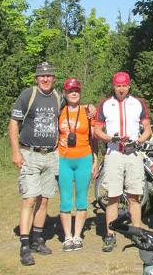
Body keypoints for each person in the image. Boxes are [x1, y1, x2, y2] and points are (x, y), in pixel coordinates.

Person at [8, 62, 62, 266]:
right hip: (29, 154)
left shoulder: (58, 97)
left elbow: (74, 105)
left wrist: (90, 108)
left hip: (51, 155)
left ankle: (38, 239)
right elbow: (14, 123)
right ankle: (24, 245)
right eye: (42, 76)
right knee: (29, 199)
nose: (46, 79)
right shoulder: (27, 95)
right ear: (36, 78)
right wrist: (15, 151)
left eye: (49, 75)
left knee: (45, 199)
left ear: (54, 78)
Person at [94, 71, 152, 252]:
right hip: (114, 153)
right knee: (113, 196)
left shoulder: (138, 103)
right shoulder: (105, 104)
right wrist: (110, 138)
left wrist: (139, 140)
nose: (121, 89)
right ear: (114, 86)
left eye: (124, 85)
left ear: (129, 86)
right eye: (118, 86)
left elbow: (148, 129)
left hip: (133, 153)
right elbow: (97, 130)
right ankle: (110, 235)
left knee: (135, 196)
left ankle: (137, 233)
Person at [57, 78, 98, 252]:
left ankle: (77, 236)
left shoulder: (88, 111)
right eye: (70, 90)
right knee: (65, 200)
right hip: (63, 159)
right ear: (65, 93)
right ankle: (67, 236)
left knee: (82, 199)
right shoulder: (58, 111)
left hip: (84, 158)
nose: (74, 93)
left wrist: (95, 159)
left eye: (77, 90)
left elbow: (94, 137)